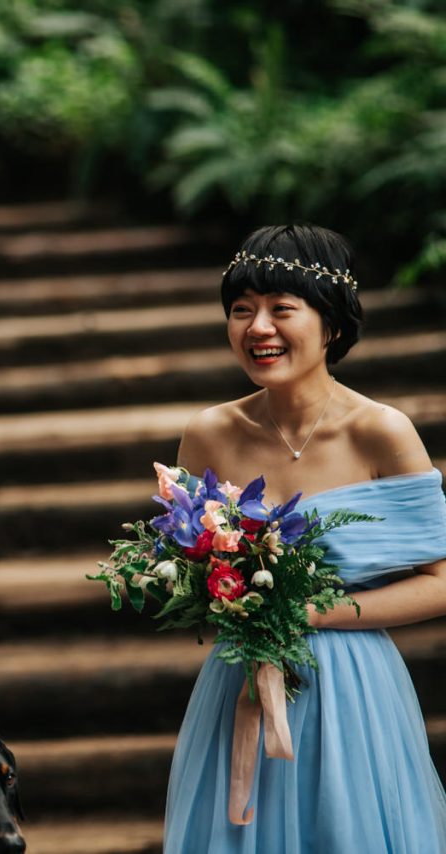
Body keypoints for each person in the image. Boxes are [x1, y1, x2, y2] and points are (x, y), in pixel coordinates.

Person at [164, 223, 446, 851]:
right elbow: (185, 561)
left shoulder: (381, 432)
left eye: (281, 309)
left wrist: (310, 612)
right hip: (238, 680)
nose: (258, 327)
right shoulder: (209, 434)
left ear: (332, 325)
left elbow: (441, 582)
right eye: (242, 310)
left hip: (353, 688)